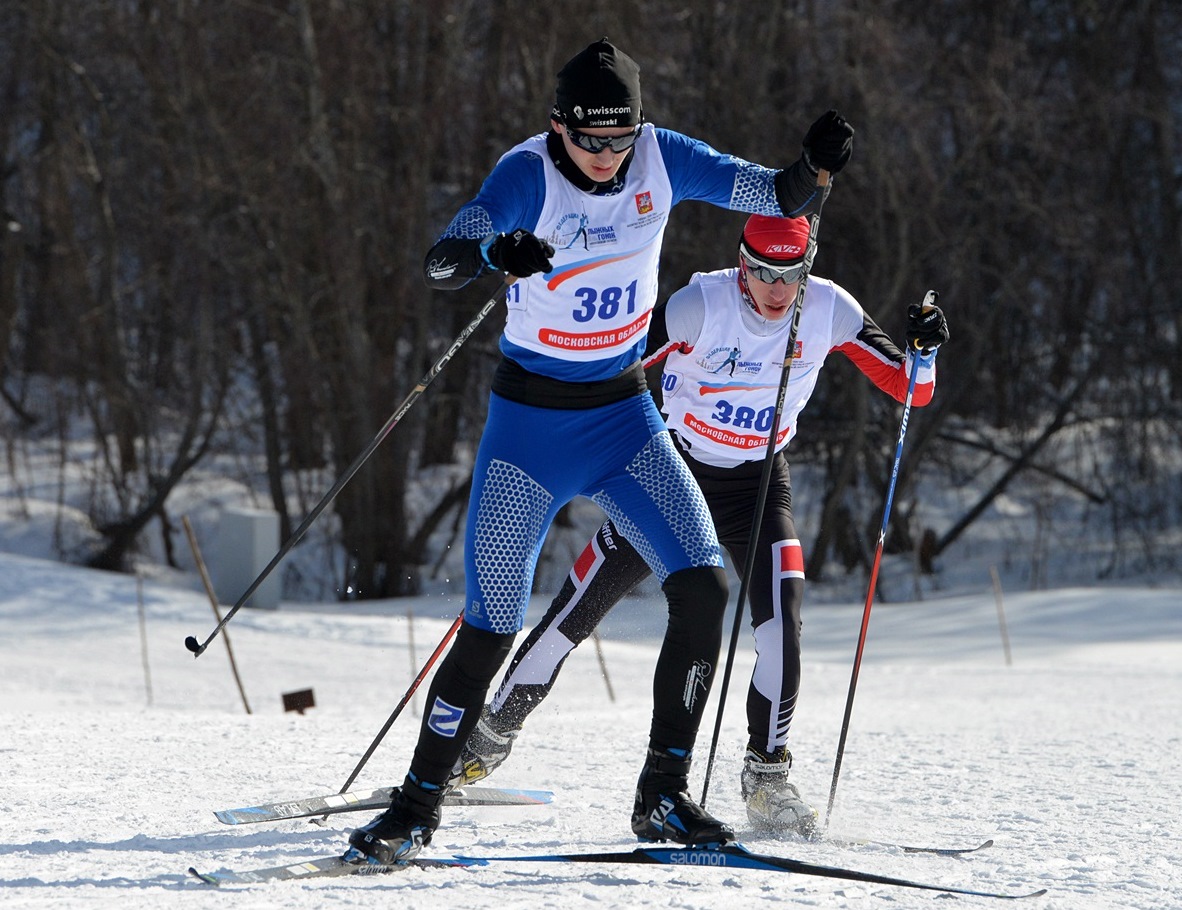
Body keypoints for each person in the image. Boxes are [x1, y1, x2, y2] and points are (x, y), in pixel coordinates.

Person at [346, 37, 856, 865]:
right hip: (532, 429)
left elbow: (772, 191)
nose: (605, 158)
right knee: (491, 624)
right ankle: (415, 806)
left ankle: (662, 796)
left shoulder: (661, 158)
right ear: (558, 127)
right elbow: (442, 258)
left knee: (703, 587)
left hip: (625, 418)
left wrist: (816, 166)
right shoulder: (527, 172)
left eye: (620, 140)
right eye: (589, 141)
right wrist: (492, 253)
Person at [448, 213, 949, 839]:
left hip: (758, 485)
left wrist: (924, 352)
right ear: (742, 264)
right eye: (761, 271)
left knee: (783, 621)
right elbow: (617, 364)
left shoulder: (829, 310)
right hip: (671, 473)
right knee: (580, 607)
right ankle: (491, 733)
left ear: (807, 267)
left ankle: (766, 777)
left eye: (789, 273)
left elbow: (910, 389)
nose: (774, 287)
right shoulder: (699, 306)